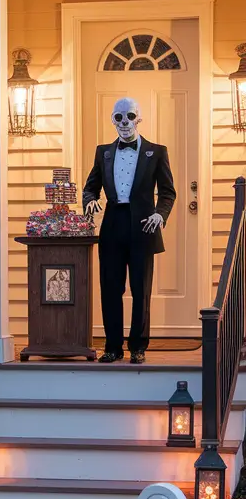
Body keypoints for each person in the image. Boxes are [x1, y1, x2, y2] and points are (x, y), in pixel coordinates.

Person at [82, 97, 176, 364]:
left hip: (144, 226)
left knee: (140, 288)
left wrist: (160, 213)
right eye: (118, 117)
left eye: (130, 117)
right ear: (113, 120)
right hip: (112, 224)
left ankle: (138, 346)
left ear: (139, 119)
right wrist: (90, 200)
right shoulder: (104, 152)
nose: (124, 123)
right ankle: (112, 347)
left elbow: (168, 192)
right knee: (110, 287)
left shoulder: (156, 151)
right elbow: (91, 187)